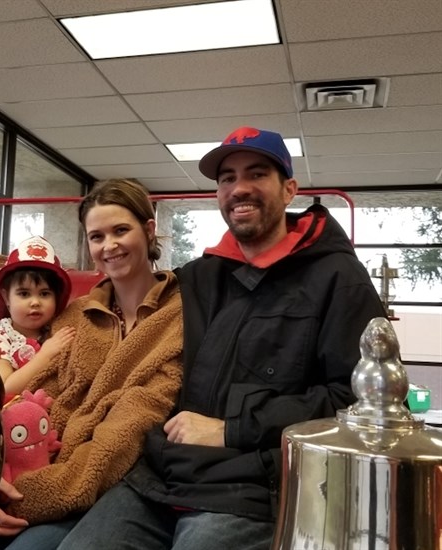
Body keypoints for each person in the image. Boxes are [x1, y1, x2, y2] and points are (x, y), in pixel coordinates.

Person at [57, 127, 387, 550]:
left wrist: (233, 430)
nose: (239, 188)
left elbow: (357, 400)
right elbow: (133, 318)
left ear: (289, 189)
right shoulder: (200, 277)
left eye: (256, 174)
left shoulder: (339, 280)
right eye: (227, 178)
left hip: (255, 486)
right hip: (163, 475)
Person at [0, 178, 184, 550]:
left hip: (111, 481)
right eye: (96, 236)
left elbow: (134, 423)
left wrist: (27, 494)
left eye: (121, 230)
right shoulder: (73, 316)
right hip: (38, 468)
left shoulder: (178, 316)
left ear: (149, 231)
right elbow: (37, 401)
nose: (109, 246)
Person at [0, 235, 76, 397]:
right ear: (6, 297)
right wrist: (45, 355)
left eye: (45, 294)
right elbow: (5, 389)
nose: (35, 302)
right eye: (24, 294)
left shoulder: (57, 330)